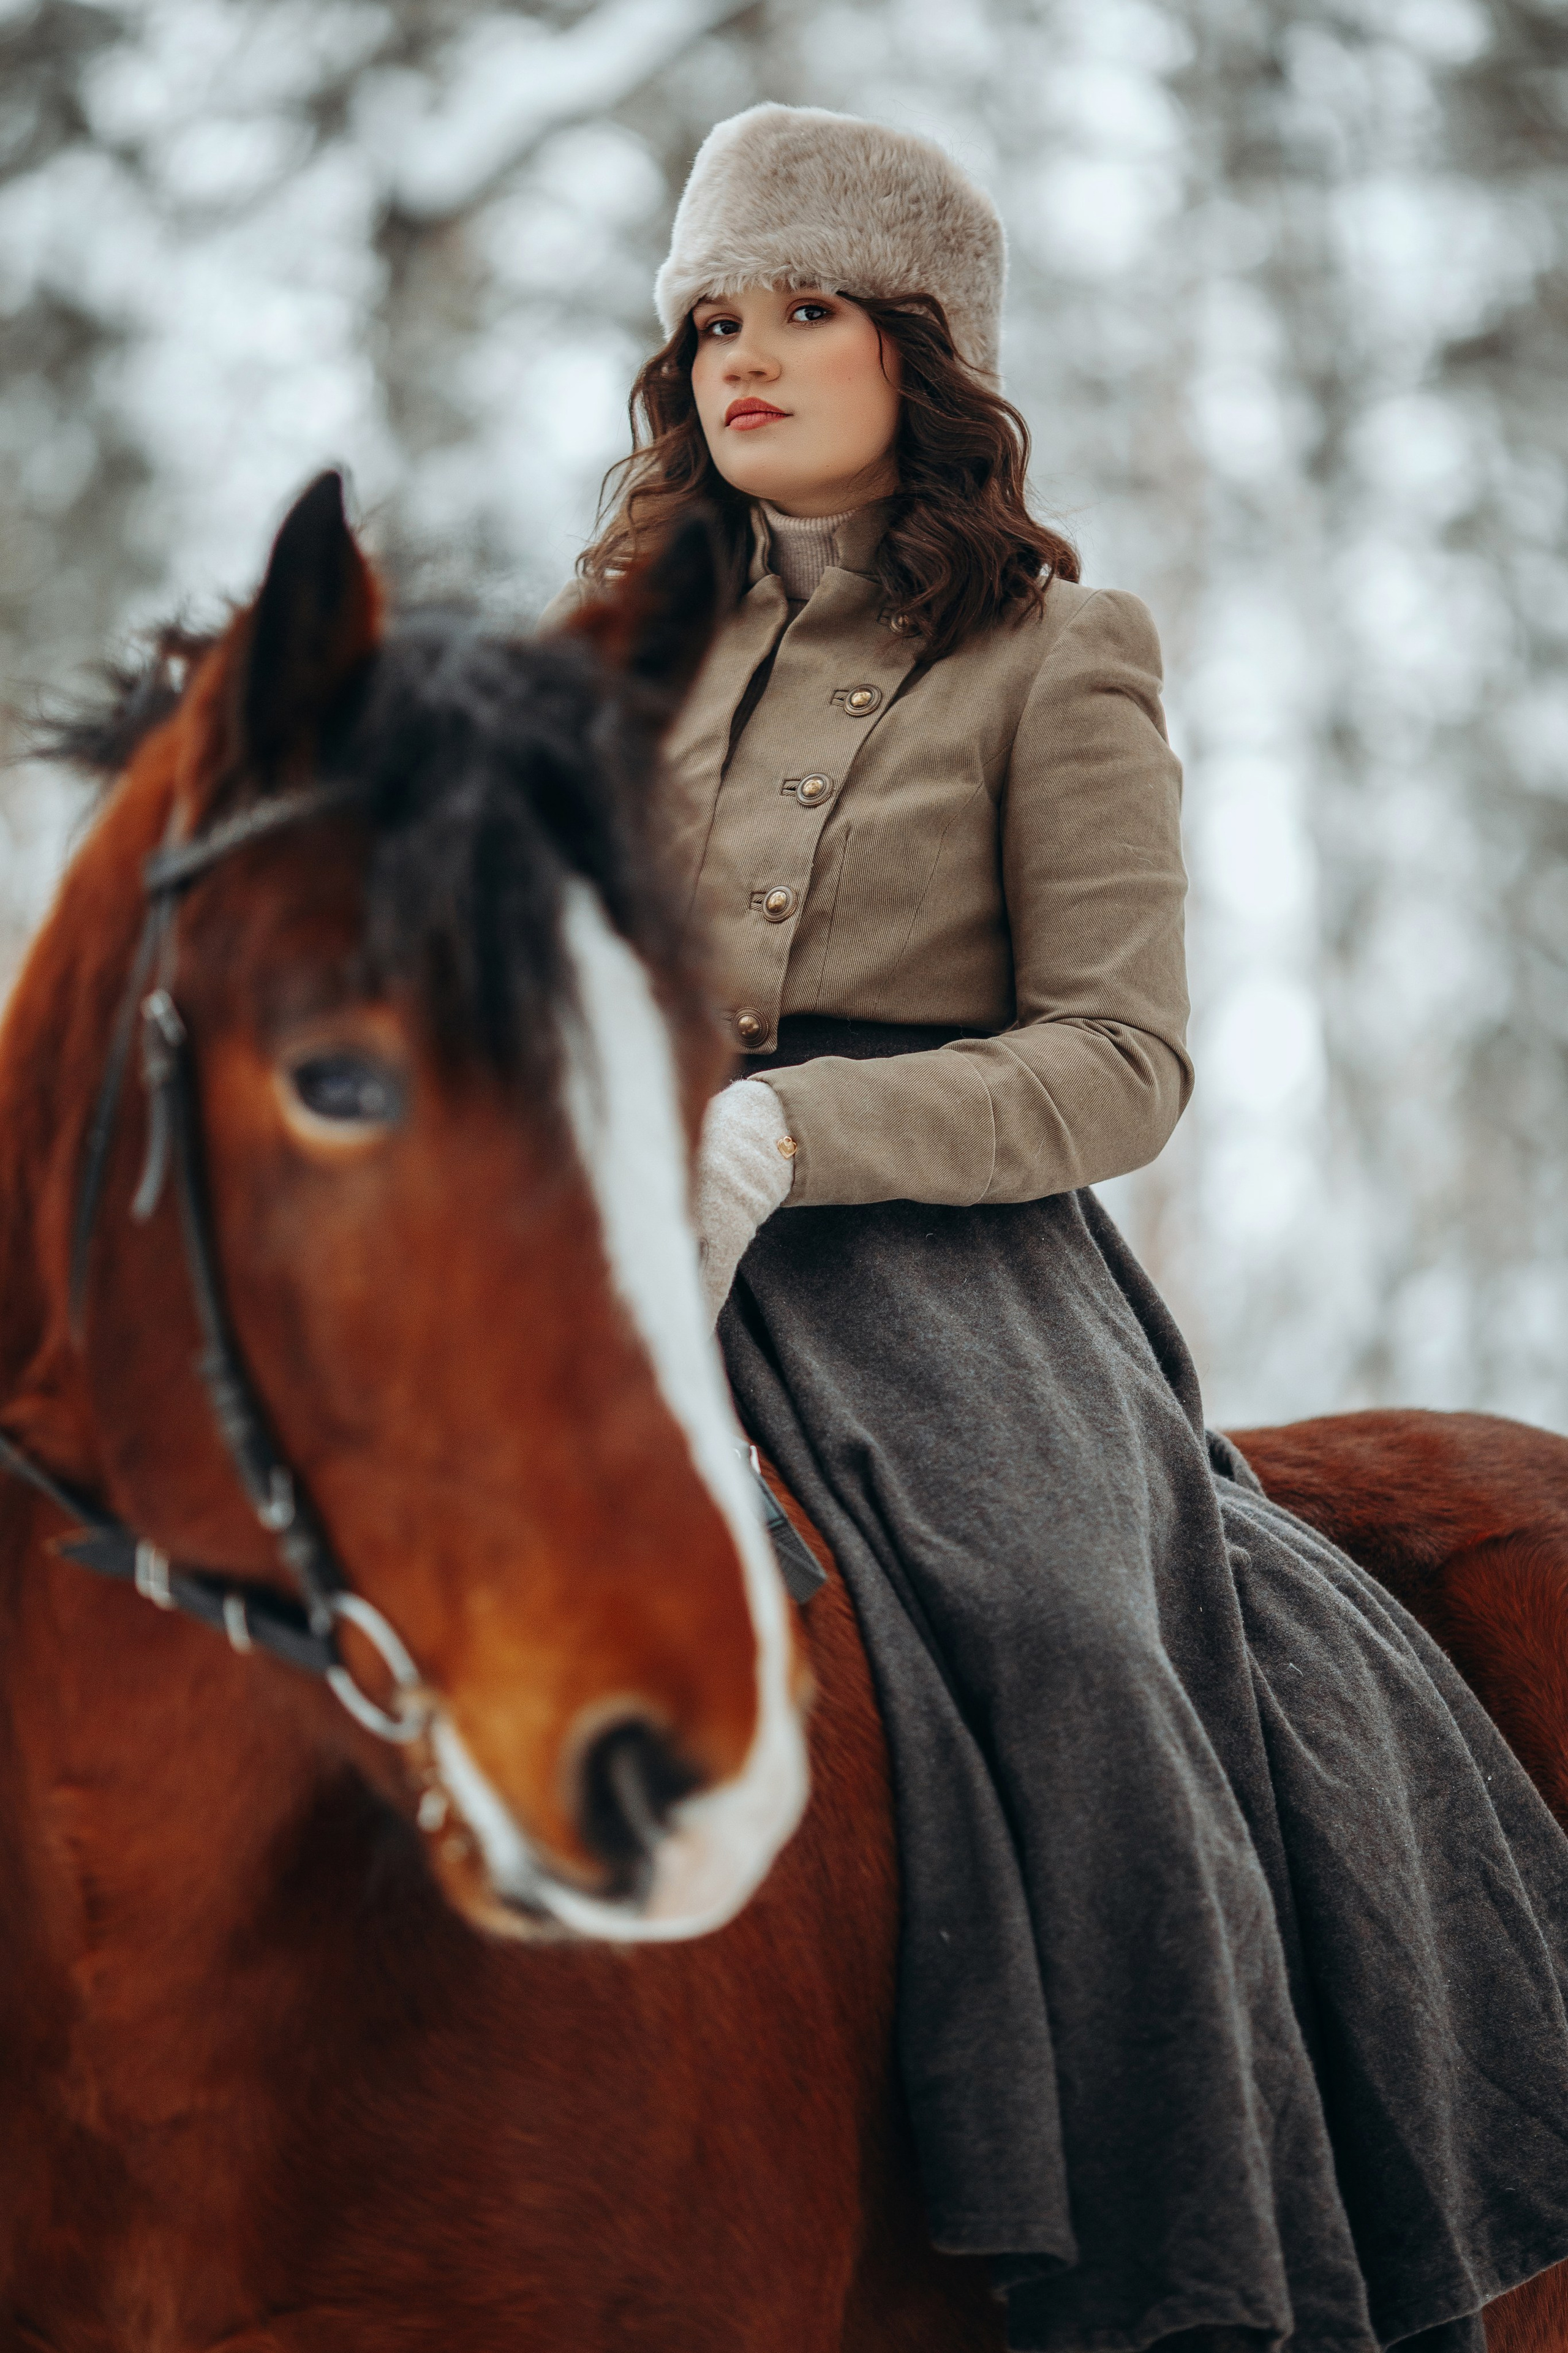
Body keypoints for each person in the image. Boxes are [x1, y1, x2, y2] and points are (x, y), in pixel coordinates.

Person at [544, 103, 1568, 2353]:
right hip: (602, 1227)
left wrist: (795, 1136)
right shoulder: (597, 651)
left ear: (928, 347)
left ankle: (1175, 2273)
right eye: (716, 316)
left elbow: (1125, 1061)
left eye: (809, 308)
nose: (749, 355)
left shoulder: (1058, 651)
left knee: (1073, 1639)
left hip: (942, 1277)